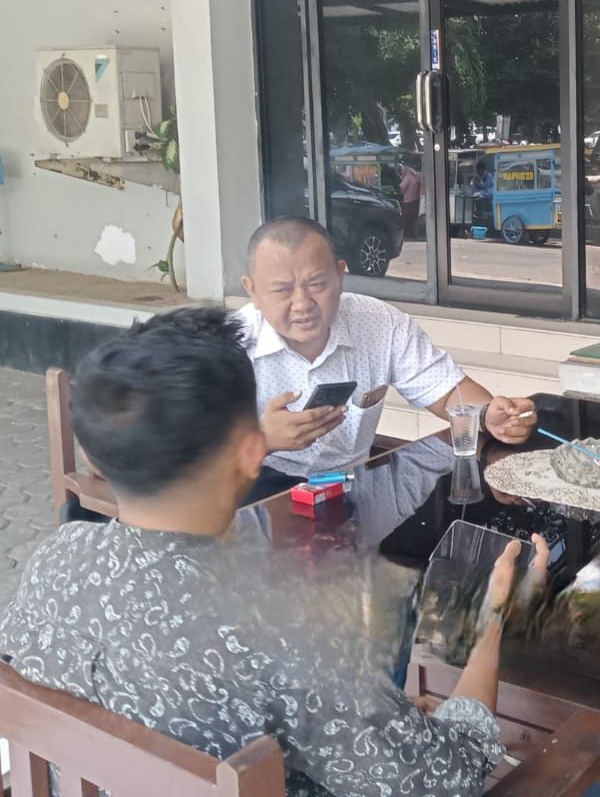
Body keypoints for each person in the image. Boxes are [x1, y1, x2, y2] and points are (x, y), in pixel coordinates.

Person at [0, 306, 551, 797]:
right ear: (252, 451)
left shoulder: (57, 557)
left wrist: (376, 712)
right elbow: (449, 780)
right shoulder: (289, 630)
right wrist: (492, 619)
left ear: (94, 455)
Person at [237, 217, 537, 476]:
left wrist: (489, 416)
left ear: (340, 276)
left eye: (316, 284)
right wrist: (265, 440)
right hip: (257, 498)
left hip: (355, 490)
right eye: (282, 290)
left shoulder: (380, 323)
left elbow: (445, 391)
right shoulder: (229, 345)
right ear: (252, 291)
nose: (302, 304)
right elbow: (207, 464)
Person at [397, 155, 422, 240]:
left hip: (407, 201)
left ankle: (406, 233)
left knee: (405, 218)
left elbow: (402, 188)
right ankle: (411, 233)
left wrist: (400, 180)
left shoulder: (408, 176)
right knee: (412, 219)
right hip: (415, 200)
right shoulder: (416, 176)